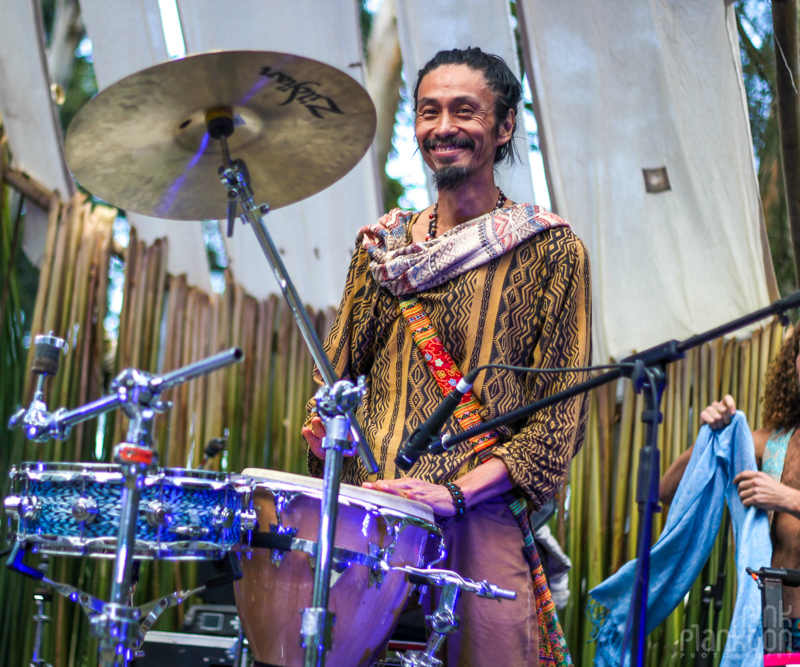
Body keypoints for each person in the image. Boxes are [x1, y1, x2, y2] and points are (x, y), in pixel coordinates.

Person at [301, 47, 592, 666]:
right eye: (428, 112)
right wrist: (328, 434)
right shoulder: (382, 248)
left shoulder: (550, 249)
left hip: (478, 514)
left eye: (466, 111)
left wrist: (454, 496)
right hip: (369, 510)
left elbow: (557, 425)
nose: (443, 127)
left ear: (505, 125)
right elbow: (336, 379)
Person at [660, 329, 800, 649]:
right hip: (773, 631)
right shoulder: (771, 441)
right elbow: (667, 490)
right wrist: (714, 436)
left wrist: (787, 497)